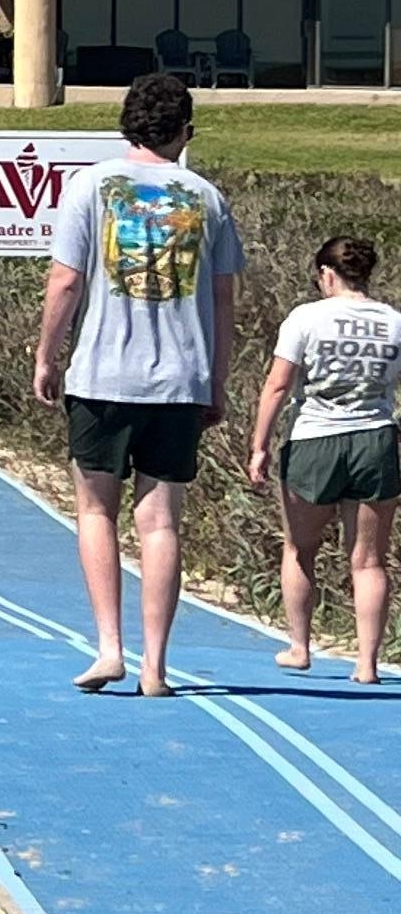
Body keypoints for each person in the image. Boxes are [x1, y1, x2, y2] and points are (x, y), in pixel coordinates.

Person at [32, 69, 245, 697]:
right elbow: (223, 298)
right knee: (161, 523)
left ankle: (109, 648)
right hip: (180, 379)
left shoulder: (90, 186)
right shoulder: (206, 197)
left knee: (95, 509)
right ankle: (156, 665)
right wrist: (218, 381)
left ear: (126, 123)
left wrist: (47, 354)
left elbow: (66, 282)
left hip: (102, 374)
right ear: (186, 130)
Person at [246, 231, 397, 688]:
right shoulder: (392, 321)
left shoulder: (306, 318)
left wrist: (260, 444)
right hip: (376, 438)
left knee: (299, 548)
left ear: (326, 275)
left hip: (314, 440)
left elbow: (278, 384)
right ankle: (367, 663)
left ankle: (300, 646)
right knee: (369, 559)